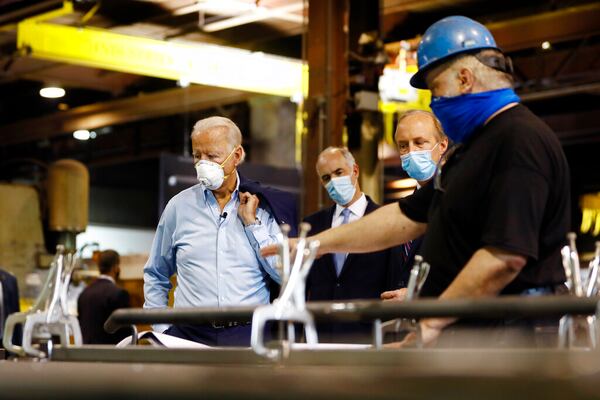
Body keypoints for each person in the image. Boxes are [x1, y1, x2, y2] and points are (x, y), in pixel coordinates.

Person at [263, 16, 570, 346]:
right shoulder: (470, 152)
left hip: (513, 336)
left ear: (465, 79)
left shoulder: (518, 141)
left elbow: (503, 257)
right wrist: (316, 246)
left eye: (436, 90)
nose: (434, 103)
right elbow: (404, 217)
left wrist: (432, 325)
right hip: (473, 331)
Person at [144, 116, 285, 347]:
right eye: (197, 156)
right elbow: (156, 273)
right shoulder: (178, 207)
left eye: (212, 156)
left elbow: (283, 275)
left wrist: (253, 226)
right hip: (188, 335)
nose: (202, 164)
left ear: (237, 156)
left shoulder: (264, 208)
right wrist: (163, 330)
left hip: (248, 336)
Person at [304, 147, 405, 343]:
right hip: (321, 338)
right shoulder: (312, 225)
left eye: (339, 172)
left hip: (367, 336)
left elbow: (392, 281)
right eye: (326, 178)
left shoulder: (384, 221)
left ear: (355, 171)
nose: (333, 181)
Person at [380, 110, 448, 303]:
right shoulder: (404, 208)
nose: (411, 151)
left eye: (419, 143)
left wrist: (417, 293)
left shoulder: (460, 198)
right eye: (403, 146)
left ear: (442, 145)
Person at [77, 250, 131, 344]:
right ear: (115, 267)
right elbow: (126, 335)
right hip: (111, 355)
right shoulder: (119, 294)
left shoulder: (84, 293)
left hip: (86, 354)